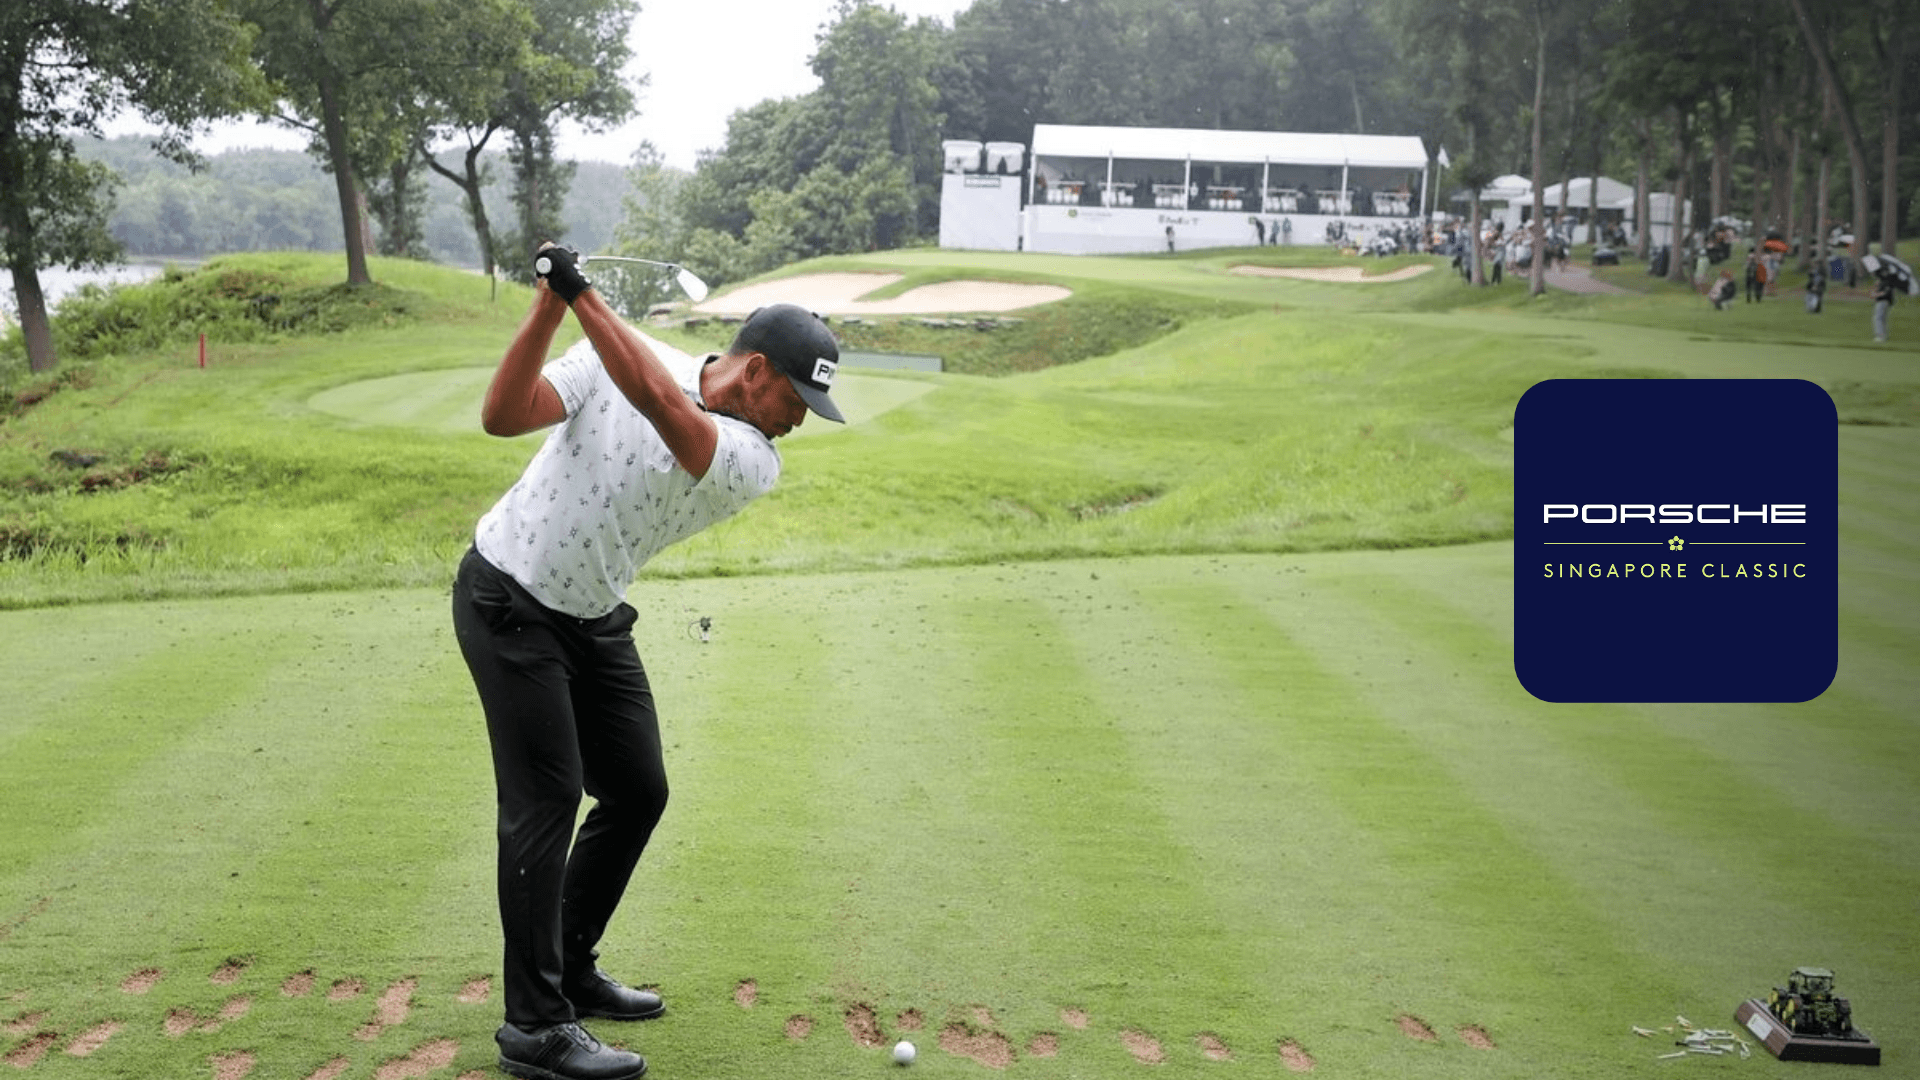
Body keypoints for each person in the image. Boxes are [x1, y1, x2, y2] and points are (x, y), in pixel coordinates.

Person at [453, 243, 844, 1080]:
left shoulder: (752, 458)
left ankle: (569, 964)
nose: (801, 419)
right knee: (546, 797)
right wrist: (550, 307)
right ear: (756, 371)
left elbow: (664, 407)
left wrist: (582, 294)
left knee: (637, 788)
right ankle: (534, 1027)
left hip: (591, 616)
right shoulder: (610, 354)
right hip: (508, 597)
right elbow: (503, 414)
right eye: (798, 398)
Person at [1871, 272, 1895, 342]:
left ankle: (1880, 336)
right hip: (1882, 301)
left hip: (1883, 301)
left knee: (1878, 318)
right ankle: (1883, 335)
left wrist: (1876, 294)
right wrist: (1877, 286)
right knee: (1882, 318)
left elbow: (1885, 293)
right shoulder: (1883, 282)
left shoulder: (1887, 282)